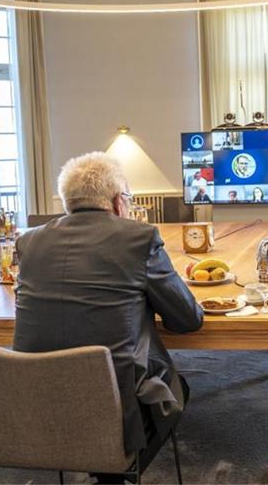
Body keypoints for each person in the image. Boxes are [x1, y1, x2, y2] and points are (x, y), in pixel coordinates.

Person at [13, 152, 203, 483]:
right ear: (118, 202)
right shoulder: (140, 238)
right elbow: (187, 318)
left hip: (33, 407)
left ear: (67, 202)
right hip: (112, 410)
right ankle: (111, 470)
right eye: (128, 200)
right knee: (178, 389)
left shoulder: (28, 242)